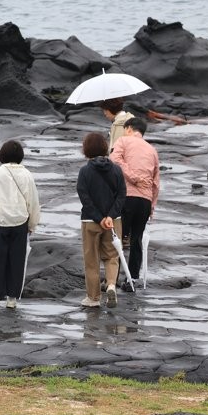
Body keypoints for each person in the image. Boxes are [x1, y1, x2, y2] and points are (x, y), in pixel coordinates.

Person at [0, 139, 41, 310]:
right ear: (20, 156)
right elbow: (33, 202)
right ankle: (12, 298)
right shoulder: (27, 175)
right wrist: (32, 225)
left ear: (2, 156)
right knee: (16, 260)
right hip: (20, 223)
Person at [77, 132, 126, 308]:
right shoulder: (116, 169)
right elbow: (121, 195)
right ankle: (111, 284)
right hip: (114, 221)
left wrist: (99, 218)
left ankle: (93, 298)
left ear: (87, 149)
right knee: (112, 256)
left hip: (90, 221)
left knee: (92, 260)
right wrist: (110, 216)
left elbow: (84, 197)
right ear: (105, 148)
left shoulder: (84, 171)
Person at [110, 116, 160, 291]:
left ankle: (112, 279)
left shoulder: (123, 140)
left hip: (126, 197)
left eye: (125, 129)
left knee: (117, 238)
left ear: (129, 128)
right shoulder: (152, 150)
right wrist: (152, 206)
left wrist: (133, 178)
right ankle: (132, 280)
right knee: (136, 240)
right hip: (145, 201)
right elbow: (156, 182)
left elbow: (115, 161)